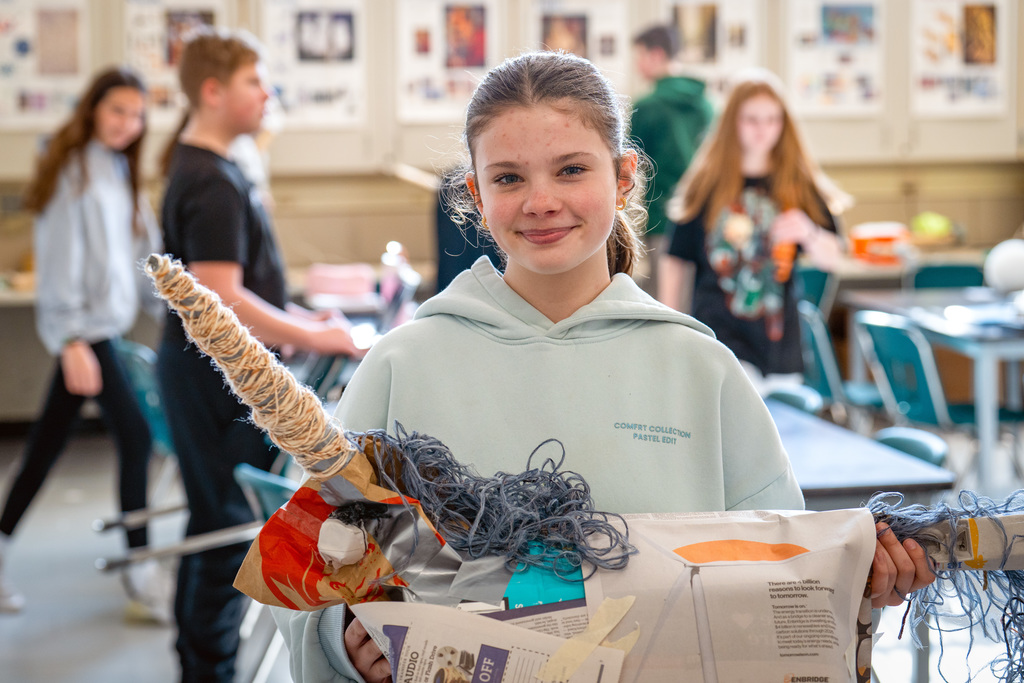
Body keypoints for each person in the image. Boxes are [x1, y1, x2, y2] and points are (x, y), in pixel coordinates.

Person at [271, 51, 933, 683]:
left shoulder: (701, 370)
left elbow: (784, 577)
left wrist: (862, 580)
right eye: (508, 178)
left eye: (570, 170)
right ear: (475, 192)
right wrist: (343, 641)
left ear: (623, 178)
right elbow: (306, 568)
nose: (540, 201)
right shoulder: (402, 365)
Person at [157, 28, 362, 683]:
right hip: (213, 381)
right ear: (213, 92)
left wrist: (302, 319)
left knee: (214, 515)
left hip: (203, 375)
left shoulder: (210, 166)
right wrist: (318, 338)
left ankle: (200, 662)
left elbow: (249, 286)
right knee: (223, 525)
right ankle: (207, 669)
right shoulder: (210, 179)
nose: (267, 93)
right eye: (254, 81)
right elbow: (222, 298)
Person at [0, 67, 170, 621]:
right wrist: (69, 337)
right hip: (87, 333)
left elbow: (142, 257)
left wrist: (177, 311)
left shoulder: (119, 168)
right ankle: (140, 570)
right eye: (118, 109)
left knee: (46, 446)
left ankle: (3, 540)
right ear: (93, 108)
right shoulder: (71, 170)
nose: (128, 123)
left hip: (103, 331)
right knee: (136, 438)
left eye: (137, 114)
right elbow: (59, 264)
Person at [661, 68, 851, 395]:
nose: (763, 130)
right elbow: (675, 259)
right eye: (751, 119)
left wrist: (808, 233)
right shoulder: (707, 184)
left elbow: (833, 258)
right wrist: (669, 329)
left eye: (772, 120)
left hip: (779, 347)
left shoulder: (797, 183)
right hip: (718, 340)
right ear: (732, 121)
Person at [630, 24, 714, 300]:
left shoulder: (649, 106)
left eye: (640, 56)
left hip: (660, 217)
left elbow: (629, 164)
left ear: (656, 55)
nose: (637, 64)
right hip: (701, 215)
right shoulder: (706, 105)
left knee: (661, 301)